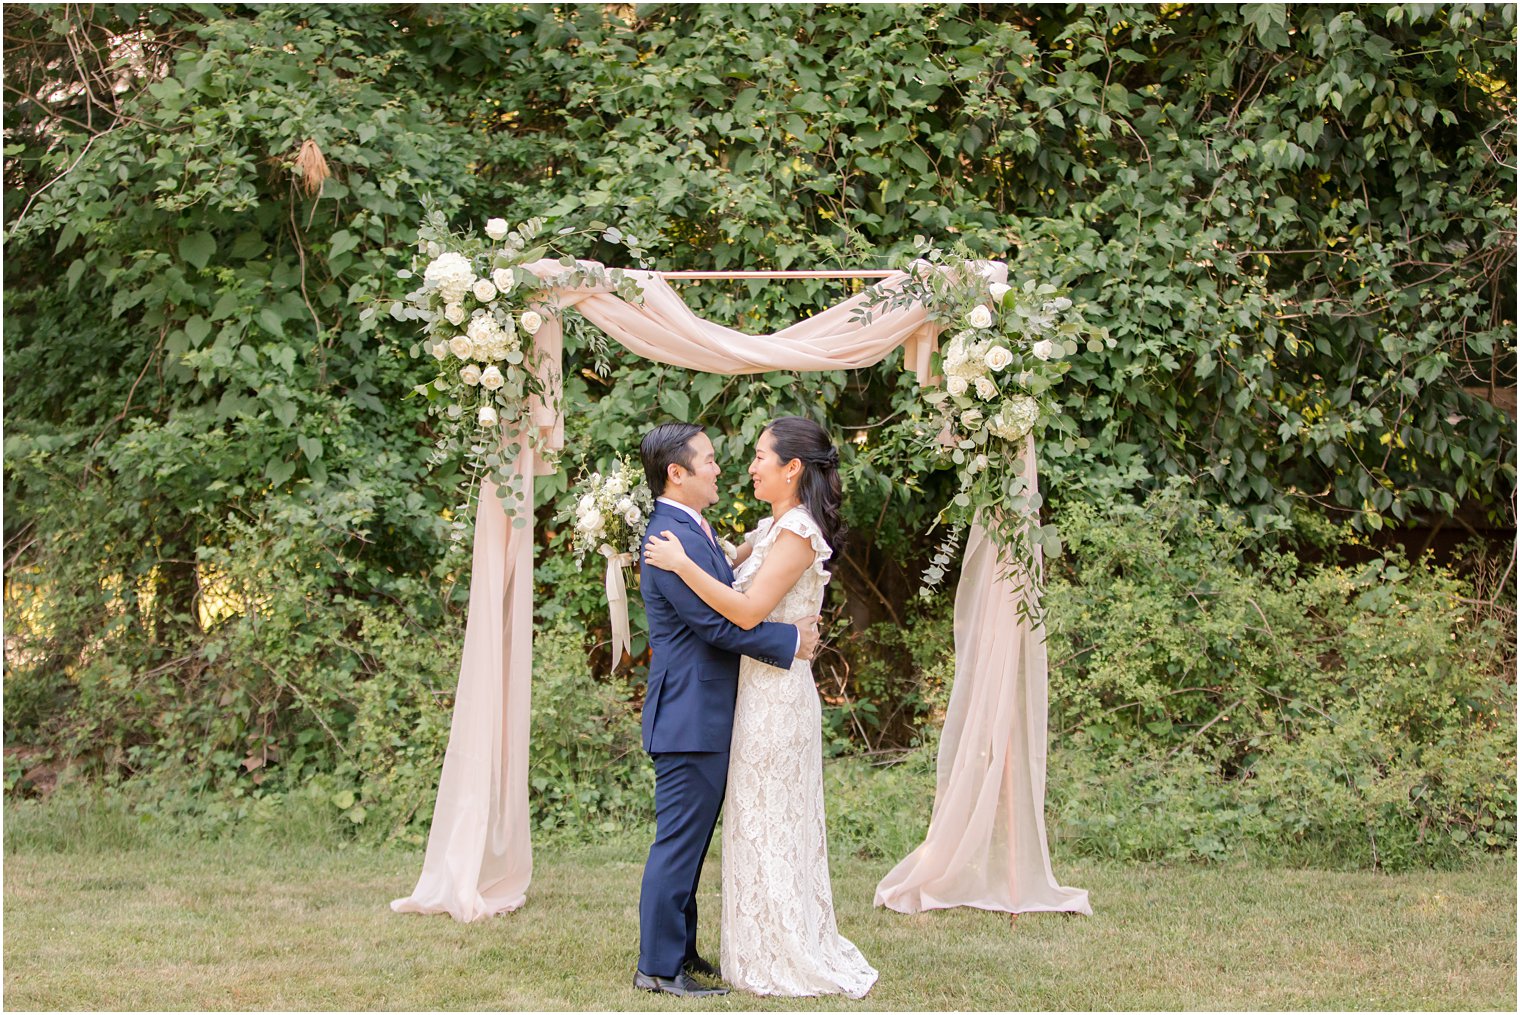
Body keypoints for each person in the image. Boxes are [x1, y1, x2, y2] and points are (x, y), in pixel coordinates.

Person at [642, 416, 878, 999]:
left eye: (755, 456)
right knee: (685, 842)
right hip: (699, 710)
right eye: (714, 459)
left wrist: (700, 563)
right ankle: (659, 965)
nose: (735, 466)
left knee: (728, 834)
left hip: (756, 704)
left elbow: (736, 598)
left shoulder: (748, 532)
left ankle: (695, 951)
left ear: (792, 467)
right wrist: (787, 641)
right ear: (678, 473)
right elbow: (721, 623)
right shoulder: (672, 541)